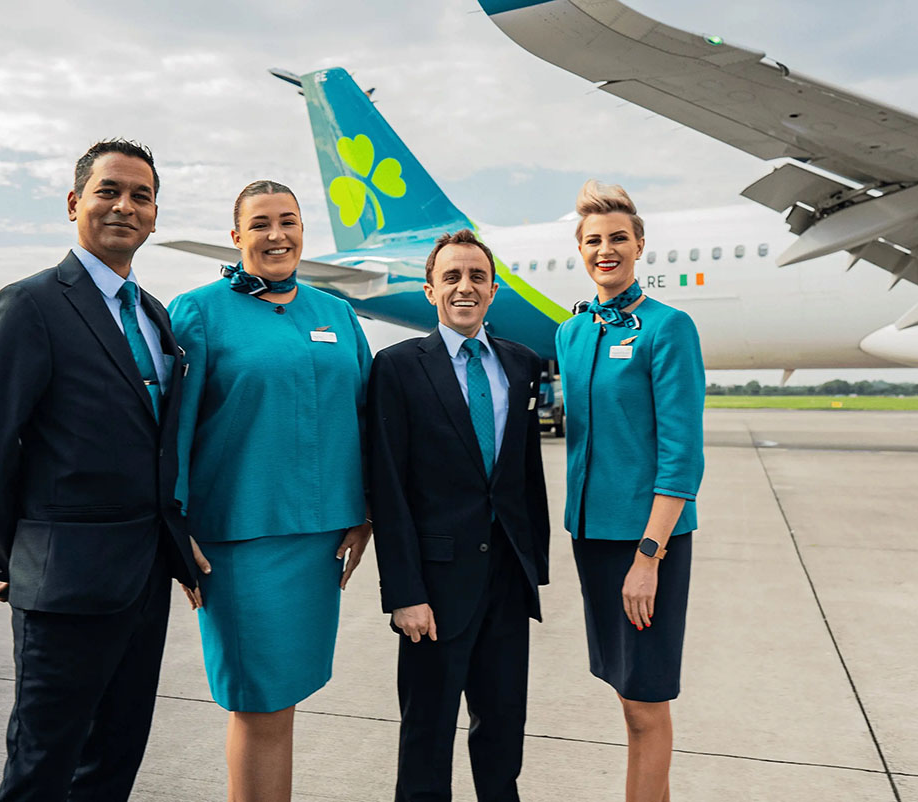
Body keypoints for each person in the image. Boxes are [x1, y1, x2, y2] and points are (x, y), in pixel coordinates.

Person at [0, 139, 198, 802]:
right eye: (109, 191)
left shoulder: (154, 317)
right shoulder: (30, 304)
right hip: (62, 585)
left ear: (154, 216)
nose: (125, 206)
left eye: (141, 196)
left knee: (113, 765)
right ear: (74, 203)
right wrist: (20, 559)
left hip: (142, 581)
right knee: (40, 770)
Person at [168, 180, 373, 802]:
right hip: (238, 540)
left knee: (288, 696)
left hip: (320, 542)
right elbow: (171, 433)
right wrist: (173, 527)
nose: (276, 234)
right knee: (258, 702)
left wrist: (366, 512)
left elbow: (366, 417)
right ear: (236, 237)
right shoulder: (198, 312)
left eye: (288, 221)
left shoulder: (335, 313)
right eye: (260, 224)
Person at [367, 228, 550, 802]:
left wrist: (532, 568)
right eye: (451, 277)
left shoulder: (522, 364)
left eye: (476, 277)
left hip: (505, 581)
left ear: (494, 290)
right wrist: (403, 591)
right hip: (434, 586)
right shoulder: (396, 367)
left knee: (502, 731)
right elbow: (388, 486)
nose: (464, 287)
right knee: (427, 733)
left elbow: (524, 476)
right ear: (430, 290)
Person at [555, 180, 705, 802]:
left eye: (619, 238)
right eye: (594, 240)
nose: (606, 249)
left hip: (647, 543)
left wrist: (649, 556)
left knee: (646, 703)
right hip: (592, 538)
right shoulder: (572, 333)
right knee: (626, 694)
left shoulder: (667, 328)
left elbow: (682, 455)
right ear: (581, 251)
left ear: (640, 245)